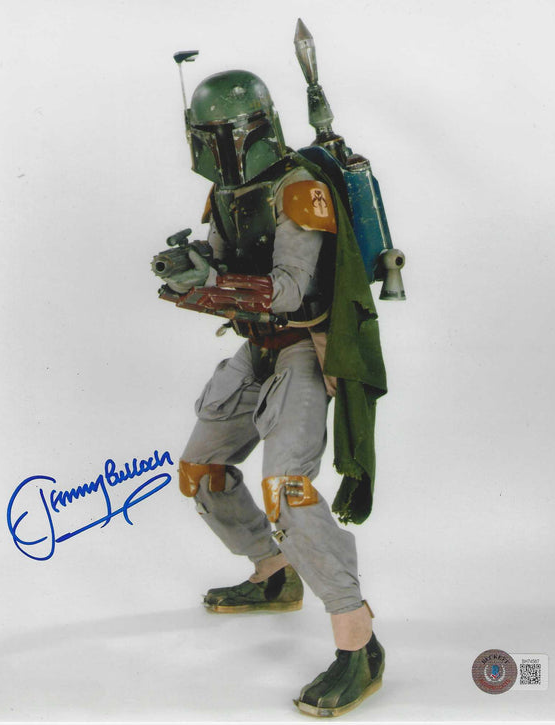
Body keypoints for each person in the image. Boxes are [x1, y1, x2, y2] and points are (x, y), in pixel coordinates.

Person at [162, 69, 385, 718]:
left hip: (304, 347)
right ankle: (274, 573)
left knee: (288, 488)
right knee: (202, 470)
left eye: (221, 136)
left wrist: (211, 284)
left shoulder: (298, 190)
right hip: (255, 346)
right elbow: (222, 267)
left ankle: (359, 642)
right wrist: (194, 277)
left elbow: (290, 289)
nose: (215, 149)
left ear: (248, 133)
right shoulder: (225, 196)